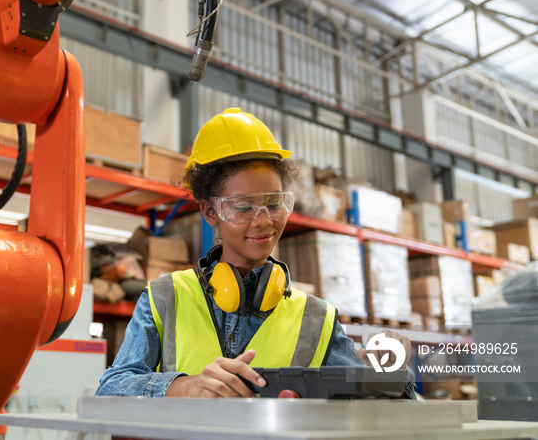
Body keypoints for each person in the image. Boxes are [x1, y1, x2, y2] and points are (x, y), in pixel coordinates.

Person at [95, 108, 416, 398]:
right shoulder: (165, 298)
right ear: (210, 212)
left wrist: (389, 374)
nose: (263, 221)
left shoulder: (317, 318)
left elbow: (378, 408)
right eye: (244, 207)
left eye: (274, 204)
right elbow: (111, 388)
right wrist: (185, 386)